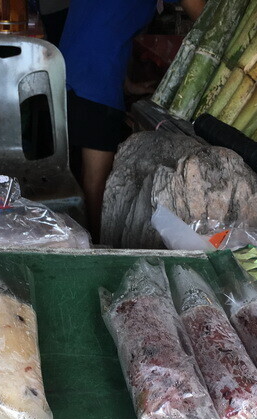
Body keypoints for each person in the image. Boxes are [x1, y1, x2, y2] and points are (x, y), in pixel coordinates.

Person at [59, 0, 204, 240]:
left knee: (83, 169)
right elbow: (205, 18)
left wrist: (126, 84)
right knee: (97, 177)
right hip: (95, 74)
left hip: (73, 64)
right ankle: (97, 247)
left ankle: (85, 237)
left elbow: (109, 22)